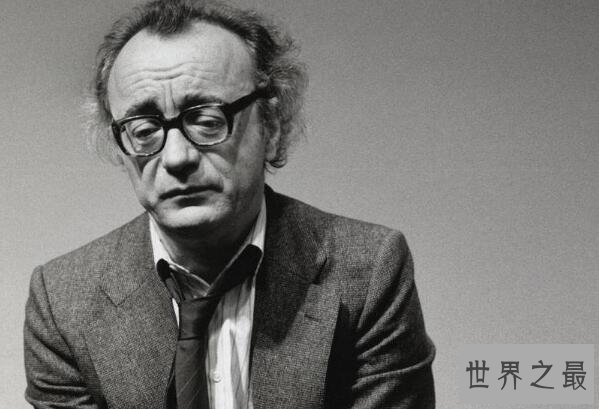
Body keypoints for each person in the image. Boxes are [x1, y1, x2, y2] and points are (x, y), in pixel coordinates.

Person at [23, 0, 435, 408]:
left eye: (206, 120)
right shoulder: (63, 302)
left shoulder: (368, 270)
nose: (177, 157)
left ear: (271, 127)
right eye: (144, 129)